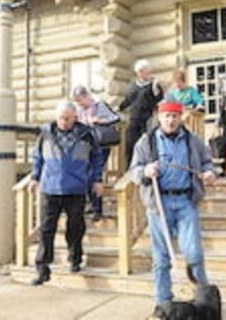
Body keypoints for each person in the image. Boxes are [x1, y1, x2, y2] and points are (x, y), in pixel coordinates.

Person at [130, 100, 217, 317]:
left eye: (175, 116)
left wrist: (209, 173)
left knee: (194, 253)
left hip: (186, 202)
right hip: (159, 204)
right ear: (159, 117)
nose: (171, 120)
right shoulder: (146, 142)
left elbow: (207, 163)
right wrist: (145, 171)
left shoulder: (192, 141)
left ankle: (203, 301)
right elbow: (134, 171)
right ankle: (163, 305)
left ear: (180, 118)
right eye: (167, 116)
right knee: (161, 258)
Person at [29, 100, 105, 285]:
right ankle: (42, 268)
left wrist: (97, 179)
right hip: (50, 187)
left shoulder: (87, 135)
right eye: (61, 118)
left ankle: (75, 259)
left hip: (76, 187)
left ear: (75, 117)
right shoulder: (46, 133)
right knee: (46, 230)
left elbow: (97, 158)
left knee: (76, 227)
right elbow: (37, 156)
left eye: (67, 118)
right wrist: (34, 176)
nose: (64, 121)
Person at [72, 85, 120, 222]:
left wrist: (99, 120)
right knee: (86, 174)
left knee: (95, 174)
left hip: (101, 145)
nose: (79, 103)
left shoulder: (100, 105)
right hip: (86, 145)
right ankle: (93, 205)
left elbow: (116, 119)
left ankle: (98, 209)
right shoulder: (79, 110)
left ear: (87, 96)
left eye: (80, 100)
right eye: (77, 101)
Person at [119, 59, 164, 165]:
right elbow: (129, 99)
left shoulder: (153, 84)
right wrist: (120, 107)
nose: (140, 74)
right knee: (130, 143)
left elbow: (159, 98)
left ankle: (146, 164)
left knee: (146, 142)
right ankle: (129, 166)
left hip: (147, 118)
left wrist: (157, 91)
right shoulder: (134, 85)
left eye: (142, 71)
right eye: (138, 71)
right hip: (134, 119)